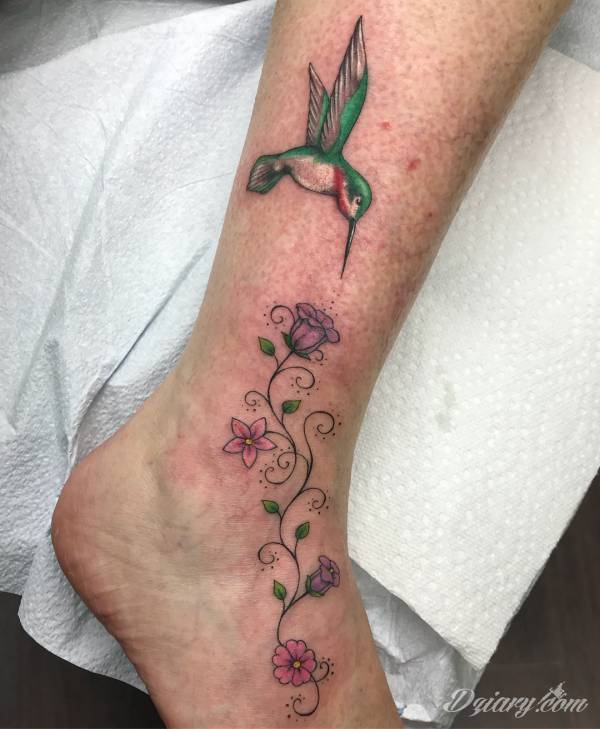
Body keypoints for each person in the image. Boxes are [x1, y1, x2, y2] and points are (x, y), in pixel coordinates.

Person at [50, 1, 571, 726]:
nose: (349, 206)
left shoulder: (335, 173)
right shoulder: (328, 162)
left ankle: (225, 482)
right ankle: (224, 478)